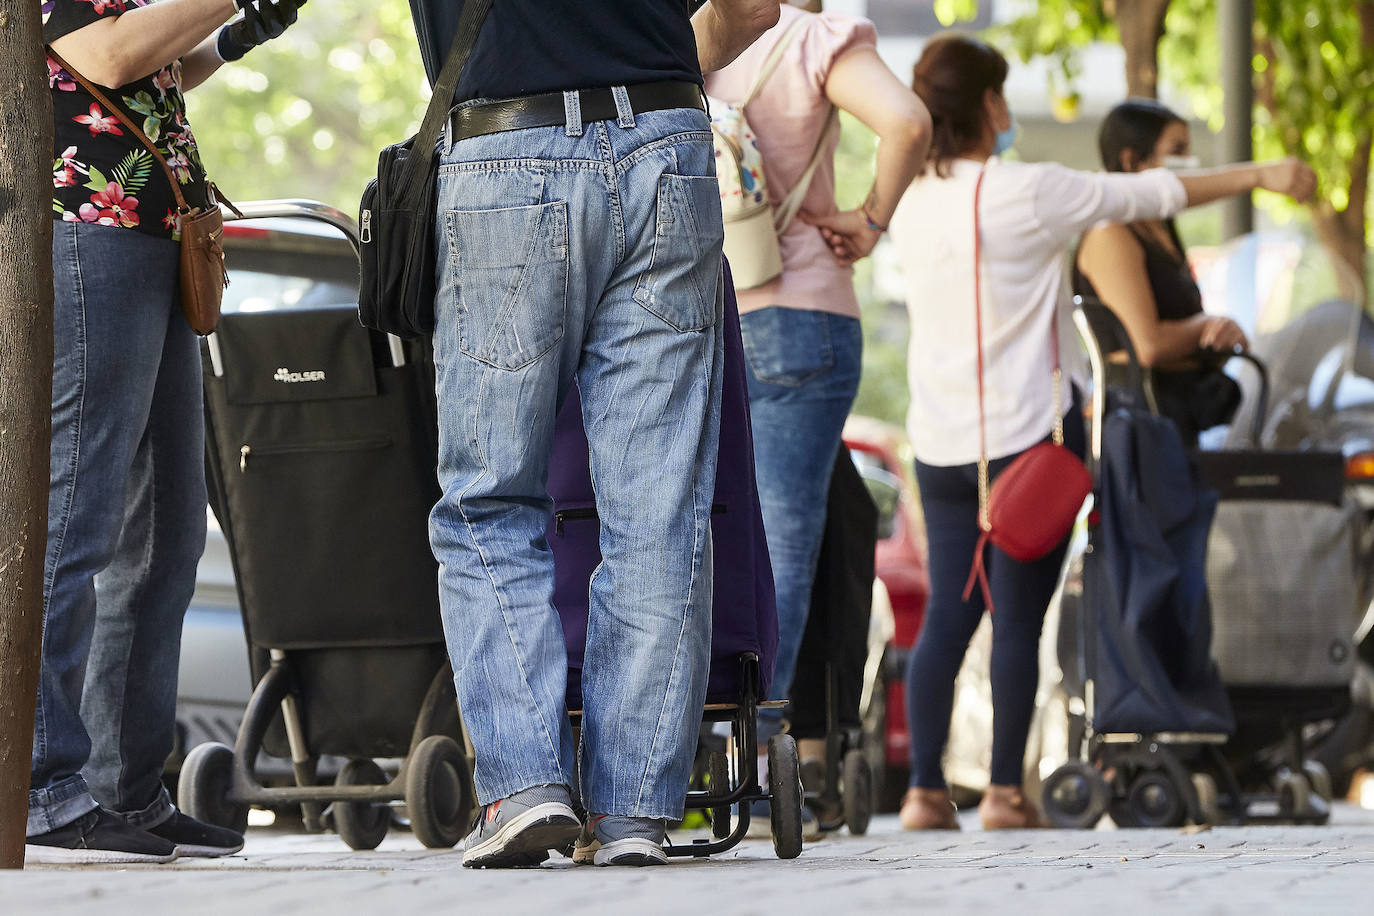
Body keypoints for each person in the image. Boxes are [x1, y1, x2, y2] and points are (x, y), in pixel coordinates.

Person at [878, 33, 1315, 831]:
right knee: (1017, 619)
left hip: (939, 443)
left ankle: (924, 792)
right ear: (986, 106)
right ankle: (1006, 793)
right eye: (1001, 96)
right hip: (1025, 445)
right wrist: (1262, 174)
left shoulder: (906, 195)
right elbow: (1151, 197)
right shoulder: (1030, 191)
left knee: (949, 613)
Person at [409, 0, 781, 868]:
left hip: (506, 146)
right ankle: (633, 814)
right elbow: (756, 8)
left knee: (488, 499)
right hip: (666, 141)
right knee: (660, 508)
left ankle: (526, 787)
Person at [28, 0, 305, 864]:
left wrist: (238, 31)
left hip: (158, 236)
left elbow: (154, 72)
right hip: (85, 233)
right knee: (77, 513)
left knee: (167, 534)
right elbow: (104, 56)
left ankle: (122, 788)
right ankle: (37, 785)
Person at [703, 1, 930, 832]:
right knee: (788, 537)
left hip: (696, 314)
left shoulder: (687, 33)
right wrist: (870, 220)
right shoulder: (815, 39)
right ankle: (764, 759)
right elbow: (907, 121)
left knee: (693, 527)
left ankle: (685, 742)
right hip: (803, 313)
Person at [1074, 98, 1289, 445]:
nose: (1188, 164)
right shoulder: (1110, 235)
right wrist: (1205, 326)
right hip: (1142, 428)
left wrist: (1216, 337)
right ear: (1132, 161)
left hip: (1178, 419)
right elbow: (1147, 345)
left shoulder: (1160, 231)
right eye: (1177, 151)